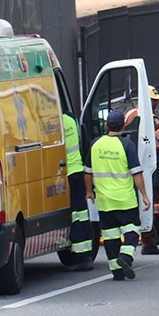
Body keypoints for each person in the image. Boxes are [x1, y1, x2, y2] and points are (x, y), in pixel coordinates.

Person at [85, 110, 150, 281]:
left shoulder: (95, 144)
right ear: (123, 125)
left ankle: (116, 272)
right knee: (132, 230)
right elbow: (136, 173)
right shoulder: (127, 145)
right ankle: (126, 257)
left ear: (106, 125)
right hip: (125, 199)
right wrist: (144, 195)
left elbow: (87, 172)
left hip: (104, 201)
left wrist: (89, 192)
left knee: (110, 236)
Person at [62, 111, 94, 271]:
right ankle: (86, 255)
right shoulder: (69, 119)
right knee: (82, 214)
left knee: (75, 216)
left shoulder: (55, 120)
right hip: (77, 169)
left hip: (66, 173)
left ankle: (80, 256)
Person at [140, 85, 159, 254]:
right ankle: (151, 239)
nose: (156, 103)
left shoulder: (132, 113)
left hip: (138, 161)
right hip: (152, 160)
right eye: (154, 100)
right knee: (154, 201)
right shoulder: (151, 118)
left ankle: (149, 236)